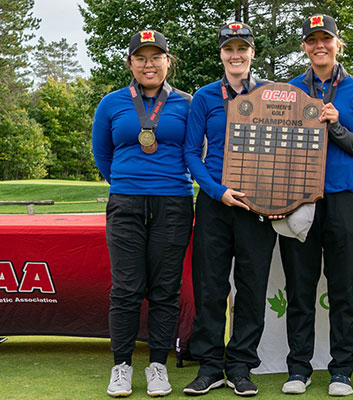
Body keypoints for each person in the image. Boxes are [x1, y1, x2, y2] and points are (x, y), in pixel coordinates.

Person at [278, 14, 353, 397]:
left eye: (326, 39)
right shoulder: (287, 91)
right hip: (299, 197)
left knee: (343, 290)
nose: (320, 45)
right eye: (312, 40)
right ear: (304, 46)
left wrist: (335, 127)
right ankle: (298, 369)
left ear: (338, 44)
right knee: (300, 289)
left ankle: (341, 371)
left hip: (345, 197)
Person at [92, 30, 195, 397]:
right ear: (130, 63)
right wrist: (128, 181)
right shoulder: (112, 103)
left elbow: (196, 152)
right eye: (141, 58)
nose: (148, 64)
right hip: (126, 204)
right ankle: (121, 366)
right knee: (126, 289)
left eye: (156, 57)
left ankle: (157, 367)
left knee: (166, 290)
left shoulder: (187, 102)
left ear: (168, 61)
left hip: (173, 203)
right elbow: (102, 154)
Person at [182, 22, 277, 397]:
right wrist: (218, 191)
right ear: (221, 54)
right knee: (210, 286)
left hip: (258, 203)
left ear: (252, 52)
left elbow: (286, 150)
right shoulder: (204, 97)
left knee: (252, 287)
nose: (235, 55)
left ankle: (240, 365)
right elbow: (192, 153)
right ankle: (209, 365)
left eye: (242, 48)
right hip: (215, 203)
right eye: (228, 49)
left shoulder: (273, 94)